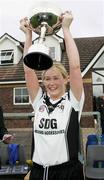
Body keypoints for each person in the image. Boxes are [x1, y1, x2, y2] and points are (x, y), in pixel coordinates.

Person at [20, 11, 85, 180]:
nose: (51, 83)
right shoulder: (39, 100)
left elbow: (76, 67)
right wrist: (28, 35)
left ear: (66, 79)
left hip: (67, 173)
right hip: (39, 172)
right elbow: (28, 71)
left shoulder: (73, 101)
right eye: (47, 79)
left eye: (56, 78)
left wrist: (66, 29)